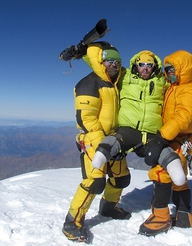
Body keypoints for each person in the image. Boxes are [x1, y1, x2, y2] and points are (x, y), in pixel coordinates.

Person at [62, 41, 131, 243]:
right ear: (101, 62)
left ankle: (108, 207)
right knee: (95, 181)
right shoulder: (88, 83)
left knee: (121, 178)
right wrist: (104, 146)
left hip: (114, 139)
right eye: (109, 61)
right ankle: (71, 222)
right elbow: (86, 120)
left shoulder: (116, 82)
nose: (114, 65)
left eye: (117, 62)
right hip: (93, 139)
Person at [139, 50, 192, 236]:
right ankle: (184, 214)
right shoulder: (174, 88)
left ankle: (160, 216)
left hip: (178, 138)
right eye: (166, 70)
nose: (168, 73)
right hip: (177, 138)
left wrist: (161, 137)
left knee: (161, 173)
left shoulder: (190, 91)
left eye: (172, 69)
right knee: (179, 178)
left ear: (183, 70)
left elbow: (182, 117)